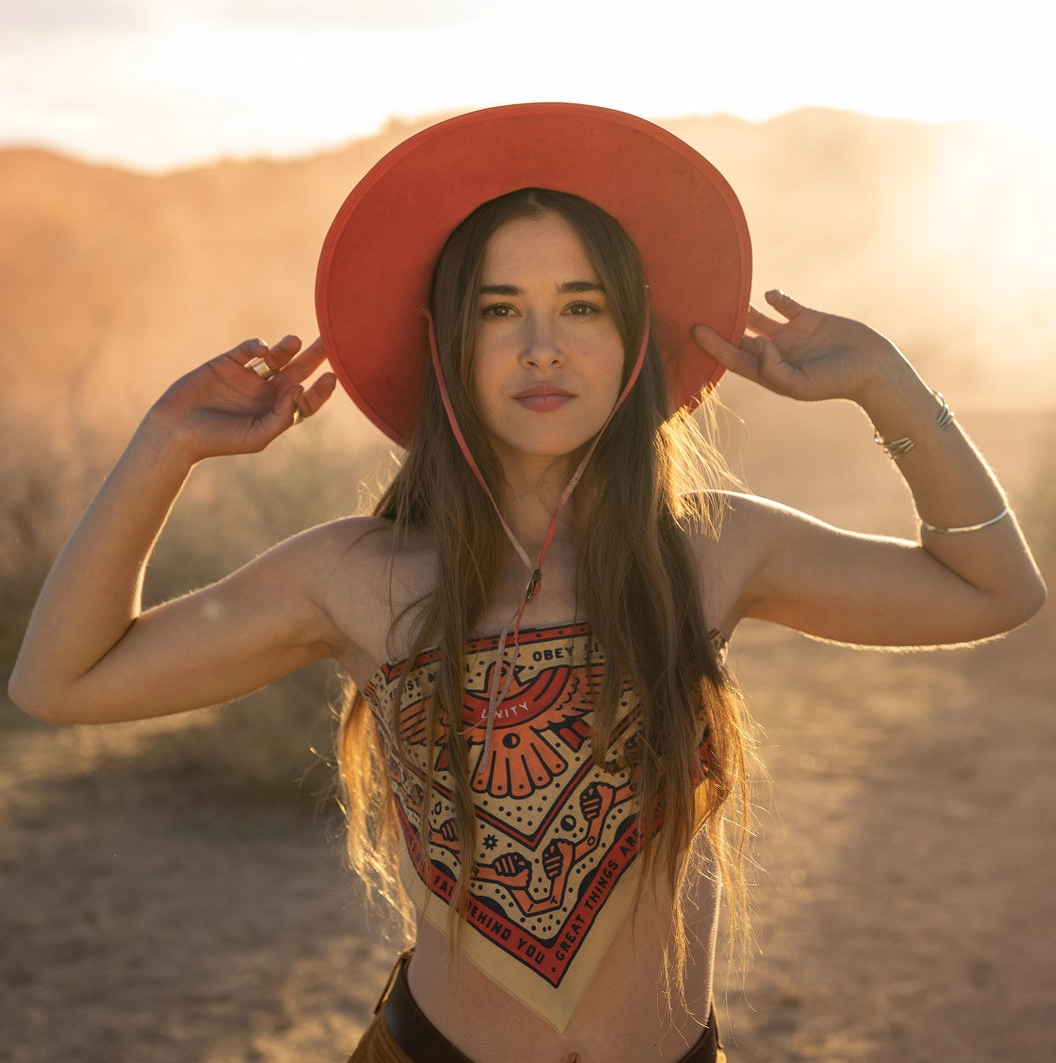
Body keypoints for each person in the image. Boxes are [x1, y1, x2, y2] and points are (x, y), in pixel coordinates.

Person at [9, 104, 1045, 1063]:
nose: (542, 348)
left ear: (634, 336)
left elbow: (994, 590)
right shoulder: (355, 576)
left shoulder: (709, 551)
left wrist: (886, 385)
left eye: (581, 307)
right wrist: (164, 448)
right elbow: (62, 684)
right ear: (448, 343)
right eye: (500, 309)